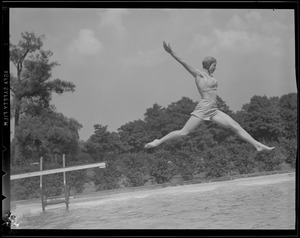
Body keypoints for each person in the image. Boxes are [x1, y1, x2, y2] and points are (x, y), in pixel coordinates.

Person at [144, 41, 275, 152]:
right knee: (184, 132)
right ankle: (158, 141)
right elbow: (183, 62)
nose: (215, 68)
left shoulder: (211, 77)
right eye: (214, 66)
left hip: (214, 109)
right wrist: (171, 52)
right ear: (209, 65)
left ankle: (257, 145)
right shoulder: (199, 75)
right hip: (204, 107)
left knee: (235, 125)